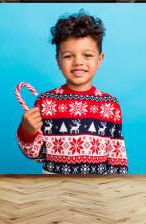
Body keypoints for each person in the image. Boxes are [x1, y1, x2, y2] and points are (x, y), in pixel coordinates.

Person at [16, 10, 128, 174]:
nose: (78, 62)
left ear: (100, 59)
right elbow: (35, 154)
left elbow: (117, 156)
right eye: (68, 56)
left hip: (96, 190)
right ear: (58, 60)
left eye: (87, 55)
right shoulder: (45, 102)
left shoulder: (110, 105)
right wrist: (27, 130)